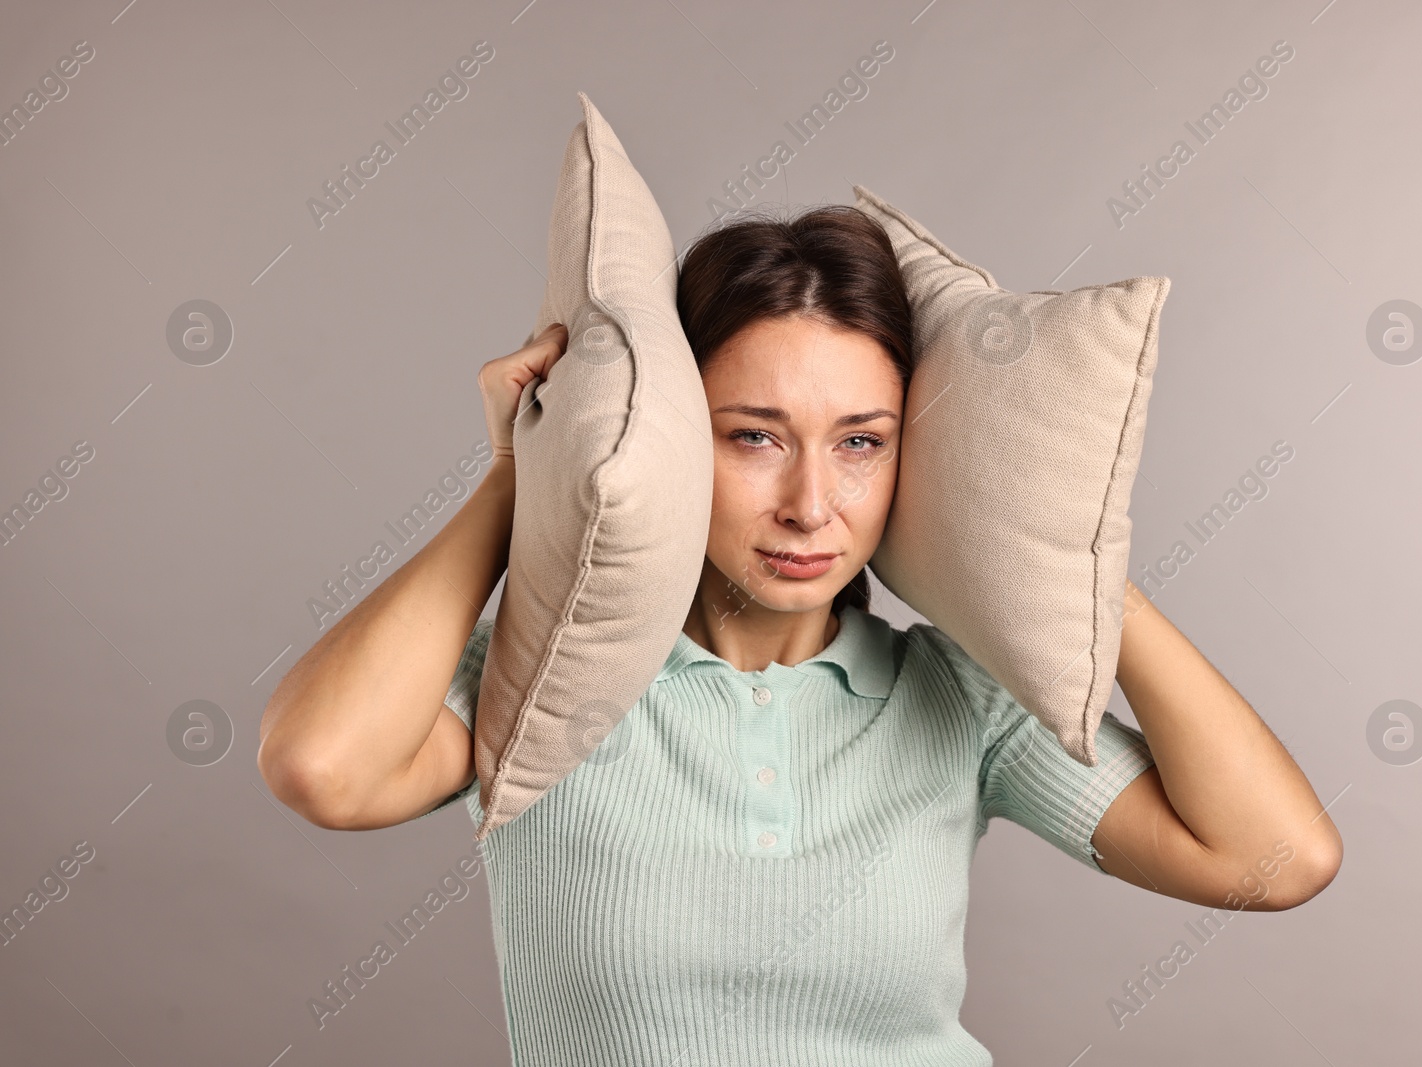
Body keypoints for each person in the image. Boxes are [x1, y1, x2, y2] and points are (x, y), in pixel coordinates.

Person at [258, 203, 1342, 1065]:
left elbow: (1275, 858)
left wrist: (1068, 555)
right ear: (677, 434)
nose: (811, 502)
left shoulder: (956, 695)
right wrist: (522, 473)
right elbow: (321, 765)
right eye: (754, 437)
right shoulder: (544, 677)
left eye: (861, 441)